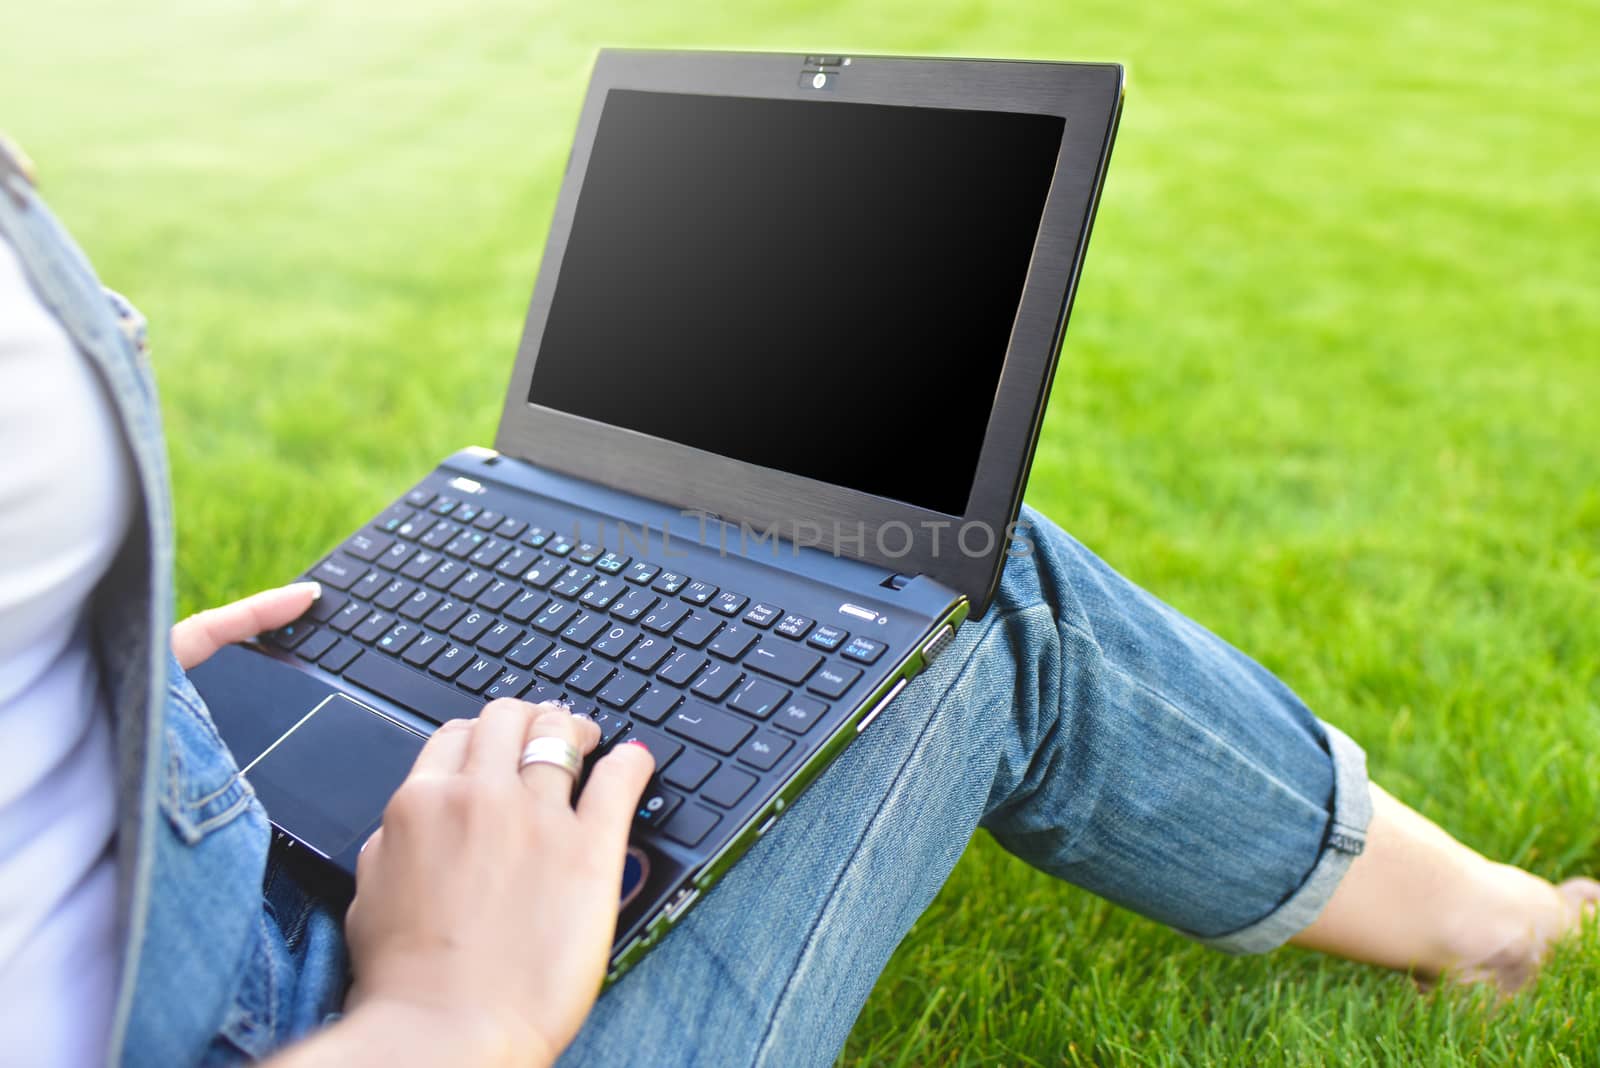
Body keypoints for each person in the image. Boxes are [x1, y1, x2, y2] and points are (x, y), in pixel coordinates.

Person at [1, 132, 1594, 1068]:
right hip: (318, 1021)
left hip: (181, 881)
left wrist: (120, 713)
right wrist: (445, 1011)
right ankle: (1501, 933)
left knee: (836, 568)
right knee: (959, 591)